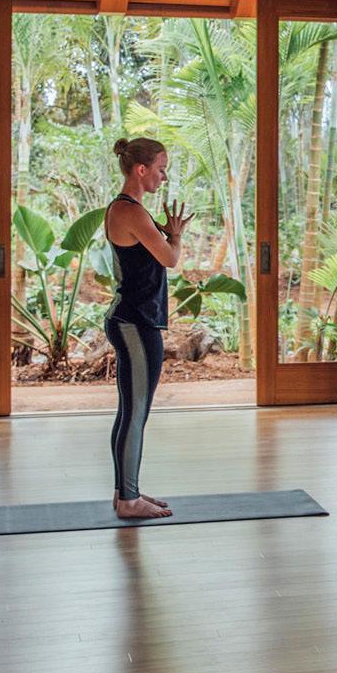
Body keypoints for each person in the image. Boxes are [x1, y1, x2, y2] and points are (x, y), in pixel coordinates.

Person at [103, 137, 191, 519]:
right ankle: (129, 500)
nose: (164, 176)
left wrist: (168, 232)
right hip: (136, 323)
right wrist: (176, 236)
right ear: (141, 170)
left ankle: (126, 492)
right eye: (160, 169)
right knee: (135, 412)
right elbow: (170, 258)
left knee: (130, 411)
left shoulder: (127, 208)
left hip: (131, 319)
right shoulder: (131, 212)